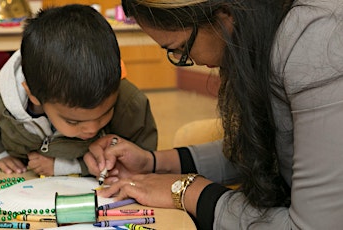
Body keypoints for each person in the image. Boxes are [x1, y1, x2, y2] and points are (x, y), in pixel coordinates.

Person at [84, 0, 343, 229]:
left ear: (224, 14)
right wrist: (152, 162)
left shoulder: (317, 39)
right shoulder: (266, 32)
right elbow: (265, 151)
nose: (188, 59)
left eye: (182, 48)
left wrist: (186, 191)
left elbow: (311, 225)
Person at [0, 4, 157, 177]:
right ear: (33, 95)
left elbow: (138, 164)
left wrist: (67, 167)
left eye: (105, 114)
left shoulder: (128, 102)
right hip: (21, 181)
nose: (92, 129)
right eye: (74, 121)